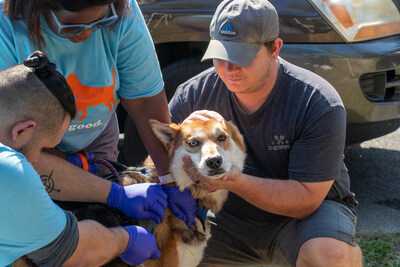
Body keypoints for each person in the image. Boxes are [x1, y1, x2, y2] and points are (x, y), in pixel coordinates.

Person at [168, 0, 363, 266]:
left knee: (328, 254)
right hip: (224, 219)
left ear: (275, 49)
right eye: (221, 55)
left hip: (299, 220)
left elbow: (306, 200)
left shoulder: (316, 101)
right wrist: (182, 140)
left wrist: (233, 181)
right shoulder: (192, 96)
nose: (228, 68)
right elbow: (159, 172)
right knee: (153, 238)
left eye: (241, 56)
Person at [0, 0, 196, 228]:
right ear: (40, 7)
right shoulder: (6, 26)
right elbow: (17, 150)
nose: (86, 34)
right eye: (71, 27)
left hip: (95, 138)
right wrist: (115, 201)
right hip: (25, 149)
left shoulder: (123, 12)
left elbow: (145, 102)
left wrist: (171, 178)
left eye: (100, 23)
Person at [0, 51, 162, 266]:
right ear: (21, 131)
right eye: (44, 148)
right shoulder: (10, 171)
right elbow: (74, 251)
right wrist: (126, 240)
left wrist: (117, 195)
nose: (39, 158)